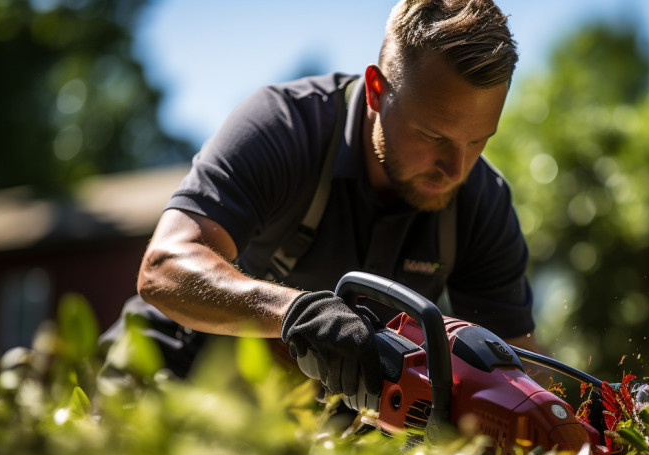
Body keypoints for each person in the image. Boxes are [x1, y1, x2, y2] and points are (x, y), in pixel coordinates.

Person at [100, 0, 538, 399]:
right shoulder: (283, 127)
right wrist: (295, 311)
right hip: (161, 382)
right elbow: (163, 268)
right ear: (376, 90)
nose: (455, 168)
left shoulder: (482, 202)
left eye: (479, 140)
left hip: (300, 431)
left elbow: (520, 376)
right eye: (431, 135)